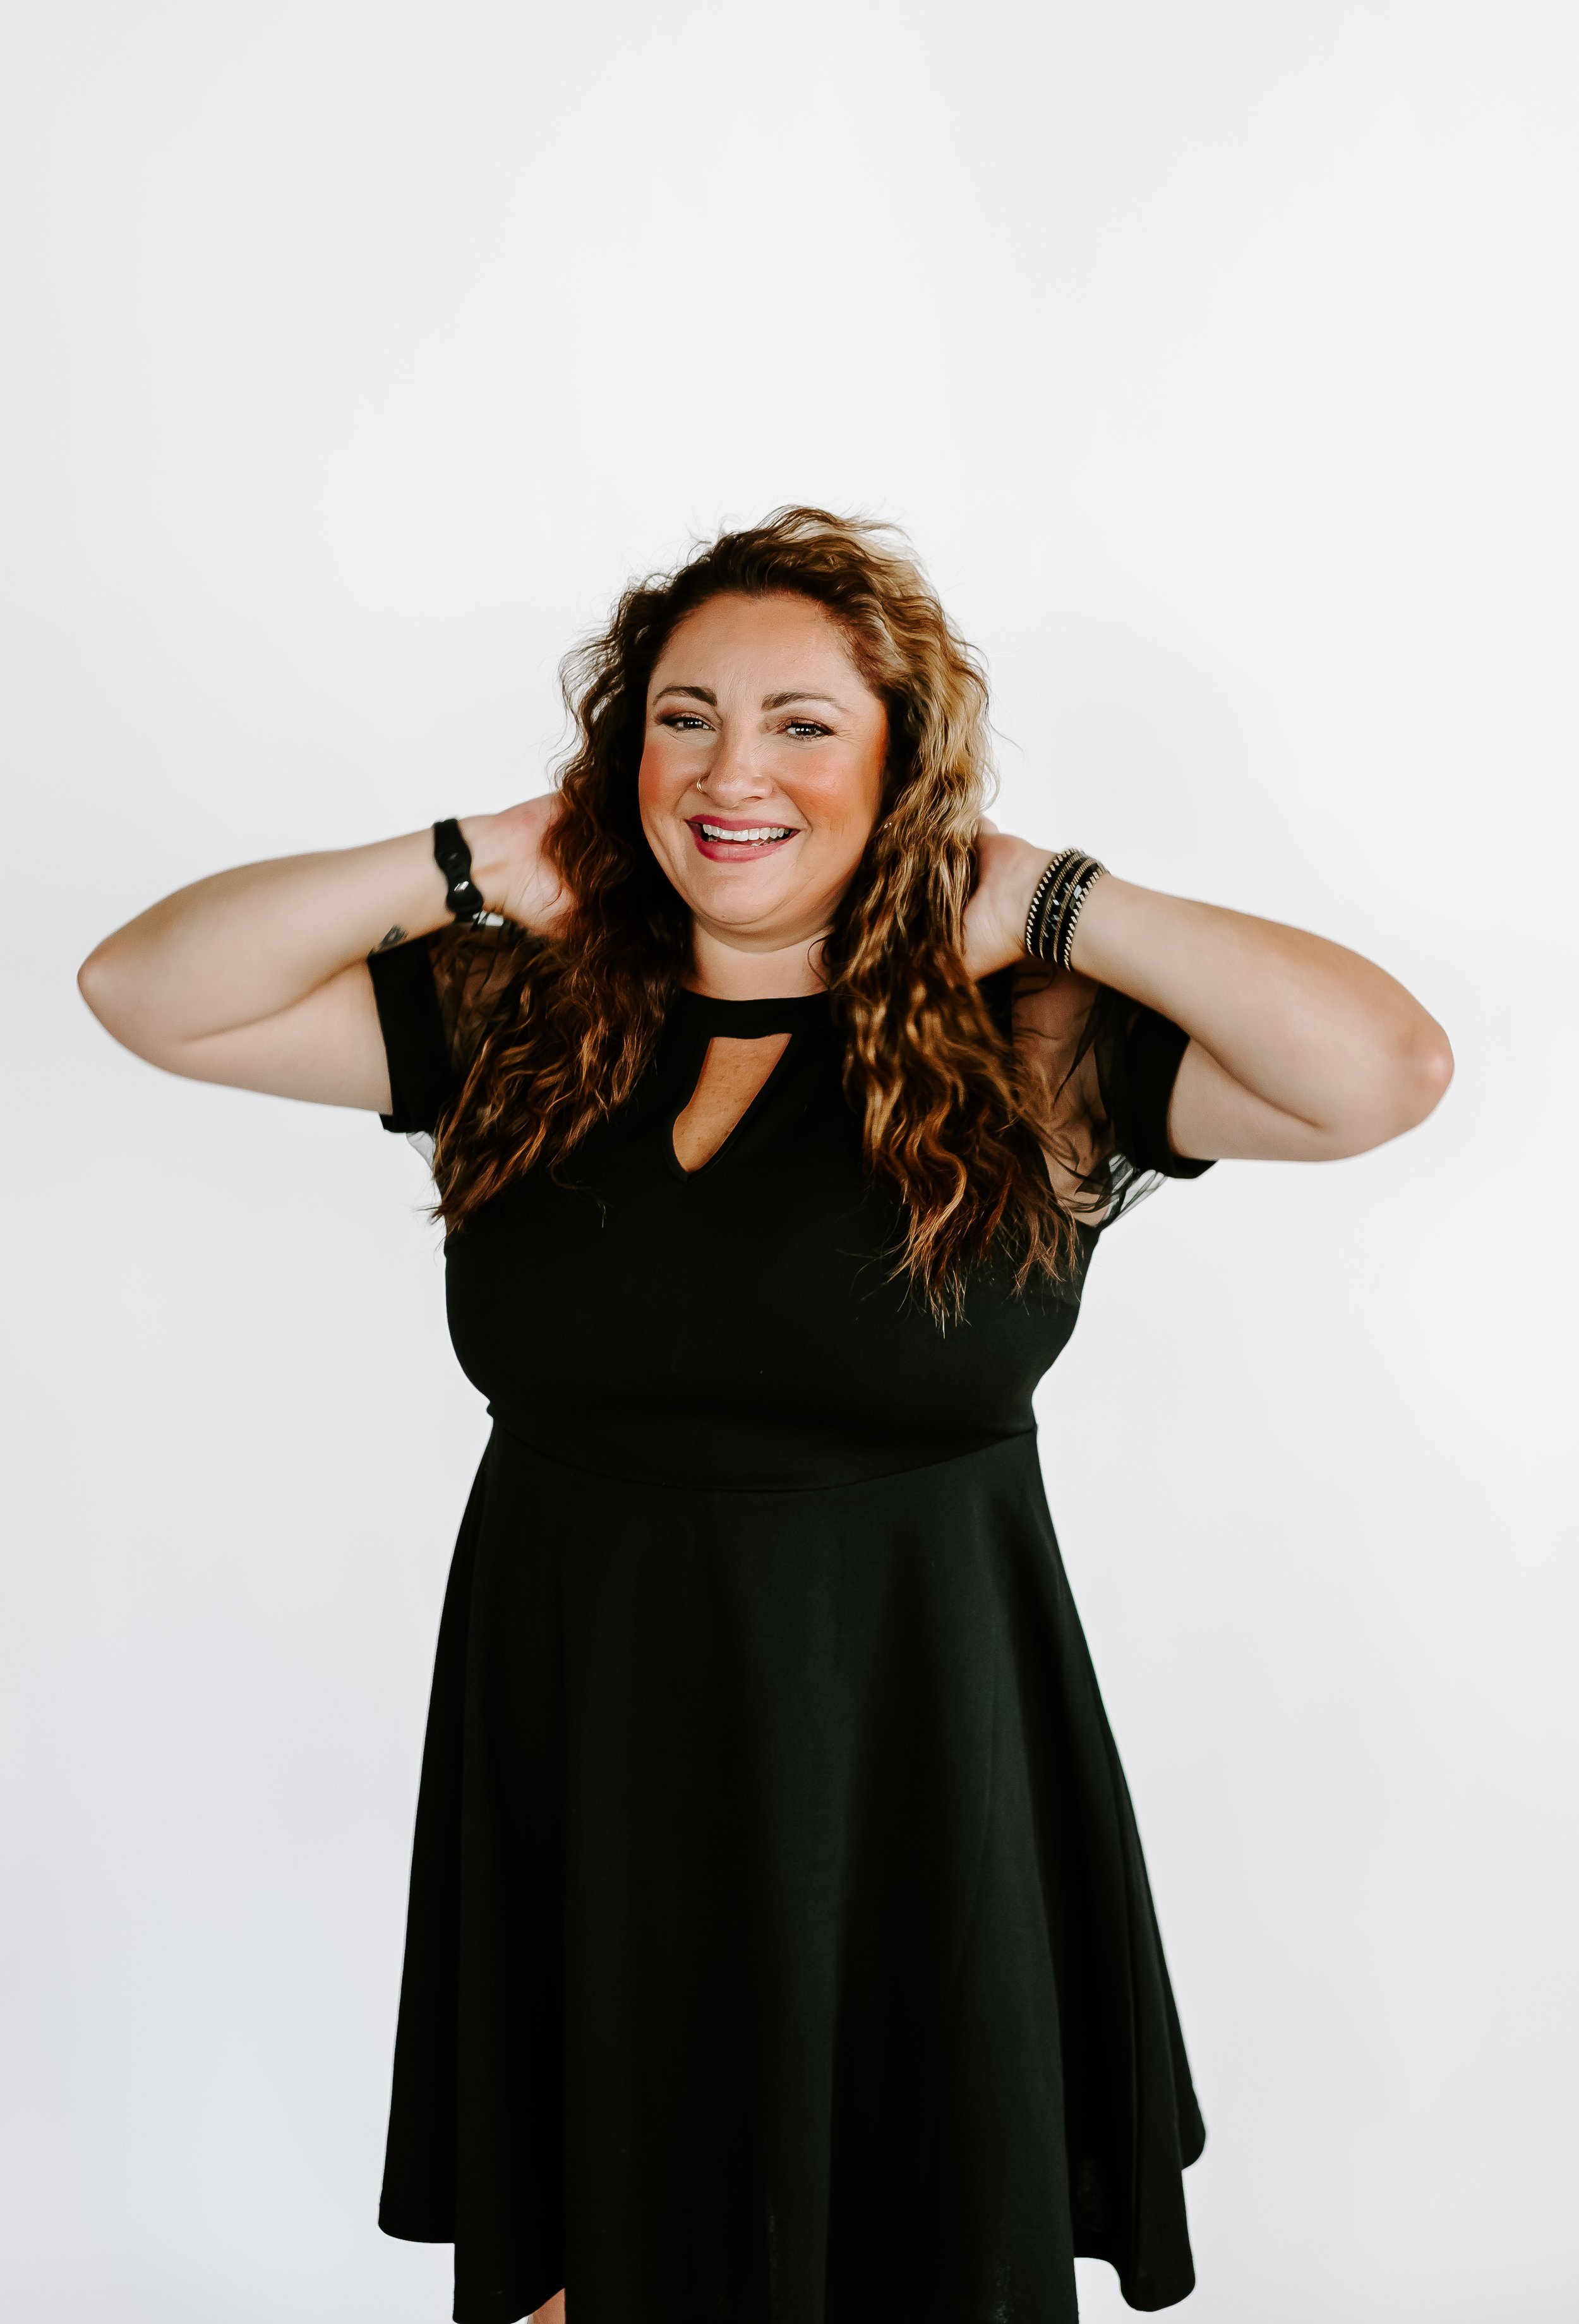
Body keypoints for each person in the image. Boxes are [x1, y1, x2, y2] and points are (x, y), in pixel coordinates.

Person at [78, 507, 1452, 2324]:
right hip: (584, 1754)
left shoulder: (1029, 1043)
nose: (732, 770)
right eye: (683, 716)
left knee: (916, 2254)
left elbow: (1383, 1072)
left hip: (911, 1763)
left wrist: (1050, 896)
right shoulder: (525, 1019)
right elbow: (146, 991)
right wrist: (483, 857)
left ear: (900, 764)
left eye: (803, 724)